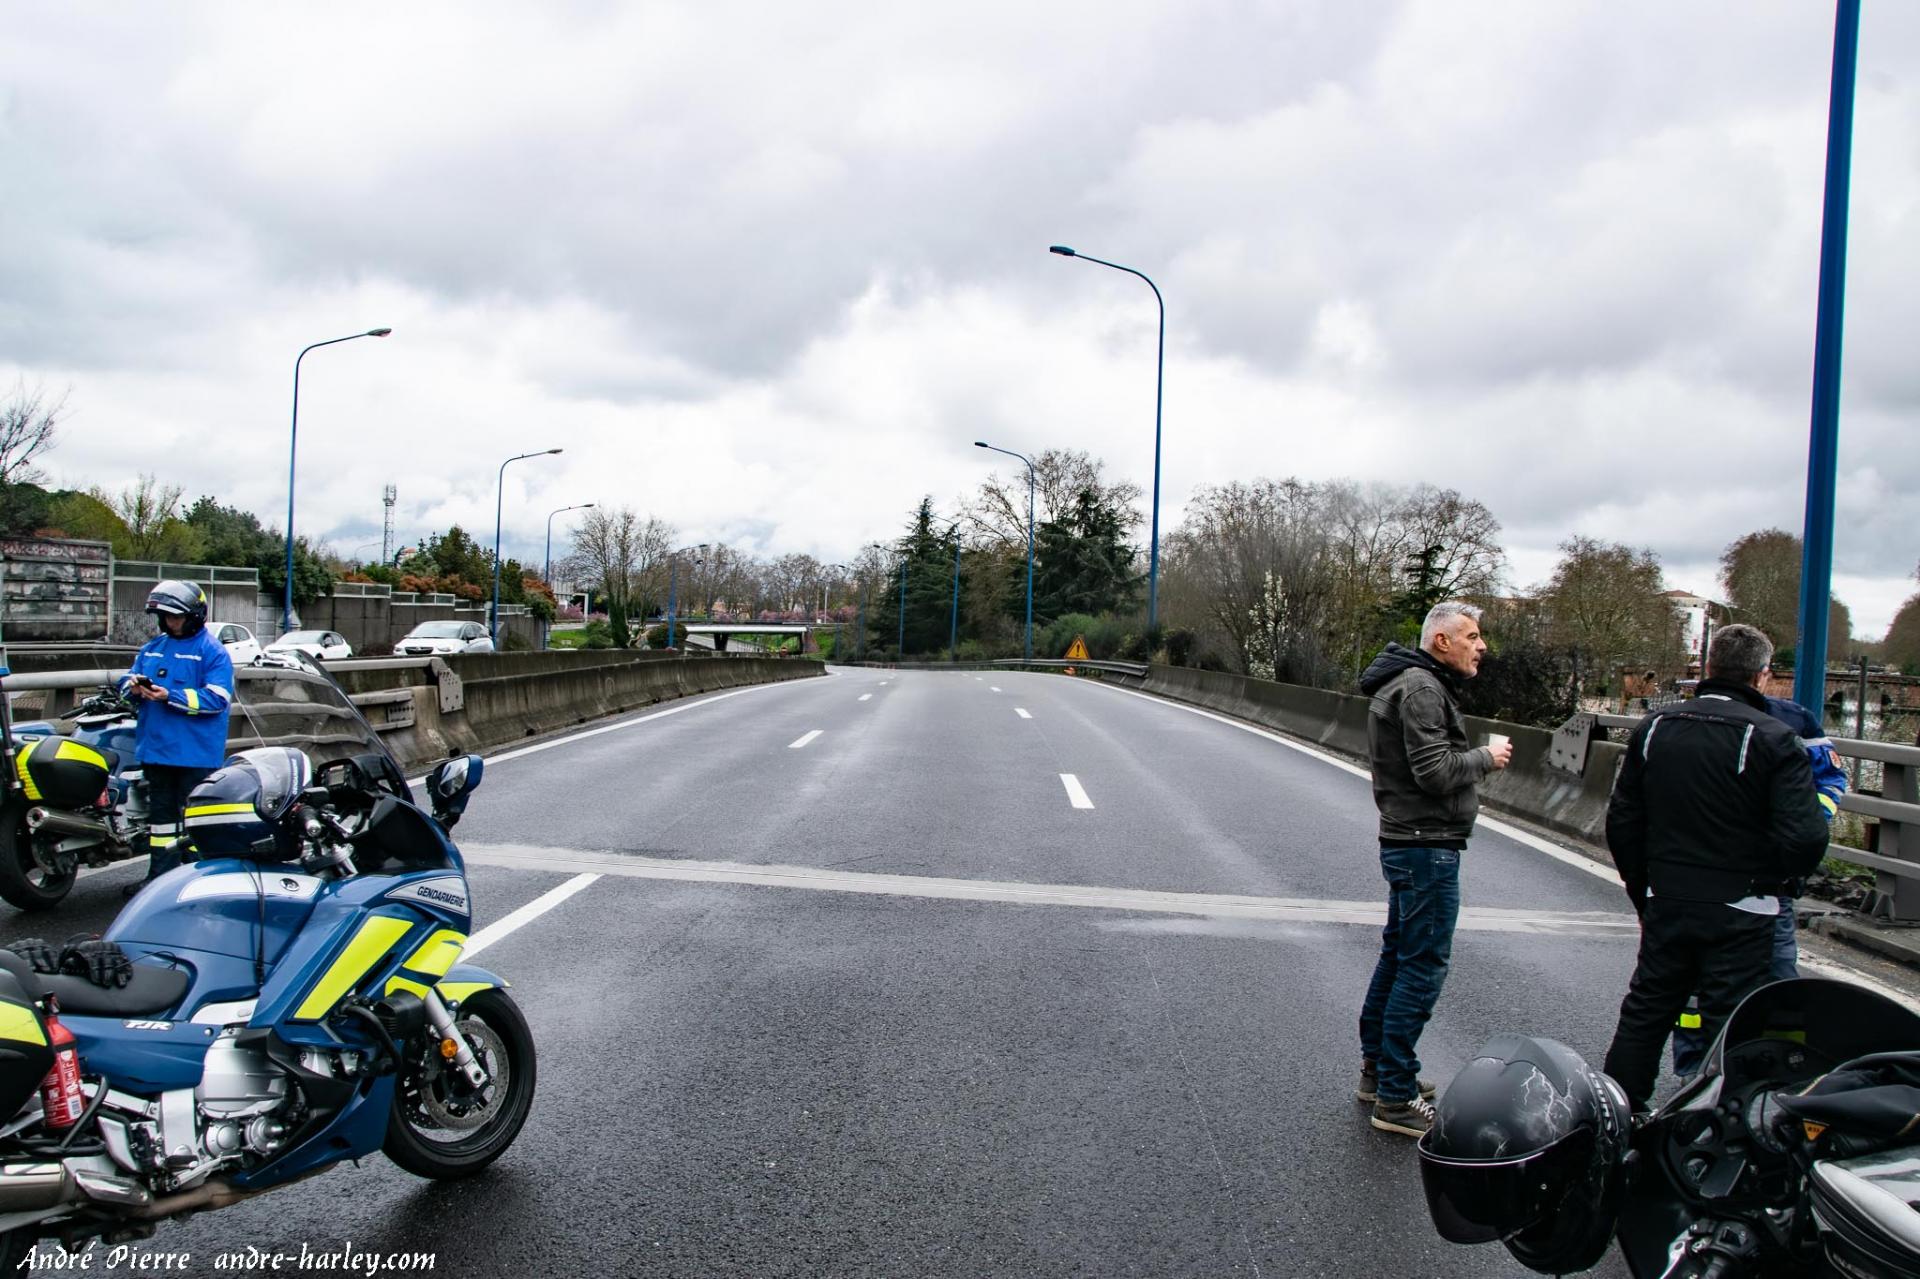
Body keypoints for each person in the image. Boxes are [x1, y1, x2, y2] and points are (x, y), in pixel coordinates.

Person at [1601, 624, 1829, 1111]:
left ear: (1708, 667)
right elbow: (1805, 834)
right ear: (1762, 676)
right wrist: (1776, 882)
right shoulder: (1775, 738)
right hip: (1743, 904)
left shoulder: (1655, 728)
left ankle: (1618, 1112)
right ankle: (1716, 1125)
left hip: (1668, 894)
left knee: (1648, 1008)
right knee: (1730, 1017)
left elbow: (1623, 821)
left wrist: (1643, 884)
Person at [1356, 600, 1512, 1137]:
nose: (1481, 645)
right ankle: (1395, 1096)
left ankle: (1381, 1073)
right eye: (1471, 635)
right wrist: (1487, 760)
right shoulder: (1421, 688)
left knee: (1399, 957)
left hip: (1411, 841)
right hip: (1426, 845)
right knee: (1421, 966)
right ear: (1441, 641)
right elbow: (1434, 771)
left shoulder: (1409, 683)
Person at [1668, 690, 1847, 1077]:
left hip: (1767, 885)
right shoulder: (1693, 719)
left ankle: (1784, 1072)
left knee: (1779, 981)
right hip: (1708, 878)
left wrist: (1804, 822)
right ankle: (1695, 1072)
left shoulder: (1793, 720)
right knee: (1697, 988)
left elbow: (1831, 777)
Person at [115, 580, 234, 895]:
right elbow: (127, 682)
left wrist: (171, 696)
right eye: (166, 617)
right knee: (162, 823)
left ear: (194, 615)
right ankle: (159, 880)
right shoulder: (153, 649)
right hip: (157, 750)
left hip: (195, 754)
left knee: (195, 821)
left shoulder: (212, 652)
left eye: (177, 617)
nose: (171, 622)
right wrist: (133, 689)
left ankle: (199, 878)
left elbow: (217, 699)